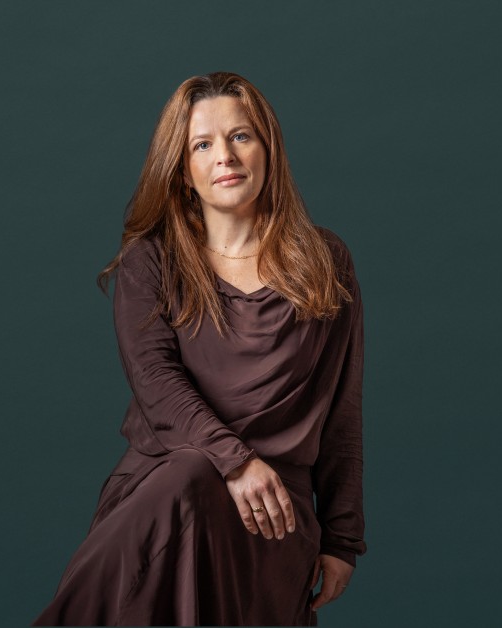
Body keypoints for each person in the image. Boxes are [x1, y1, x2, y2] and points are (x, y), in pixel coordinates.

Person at [32, 72, 366, 626]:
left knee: (197, 480)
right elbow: (156, 383)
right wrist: (236, 462)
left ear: (268, 149)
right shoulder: (150, 261)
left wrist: (342, 538)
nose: (224, 157)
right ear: (183, 170)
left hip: (272, 511)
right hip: (165, 496)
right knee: (189, 475)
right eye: (202, 145)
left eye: (240, 136)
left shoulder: (325, 262)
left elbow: (342, 410)